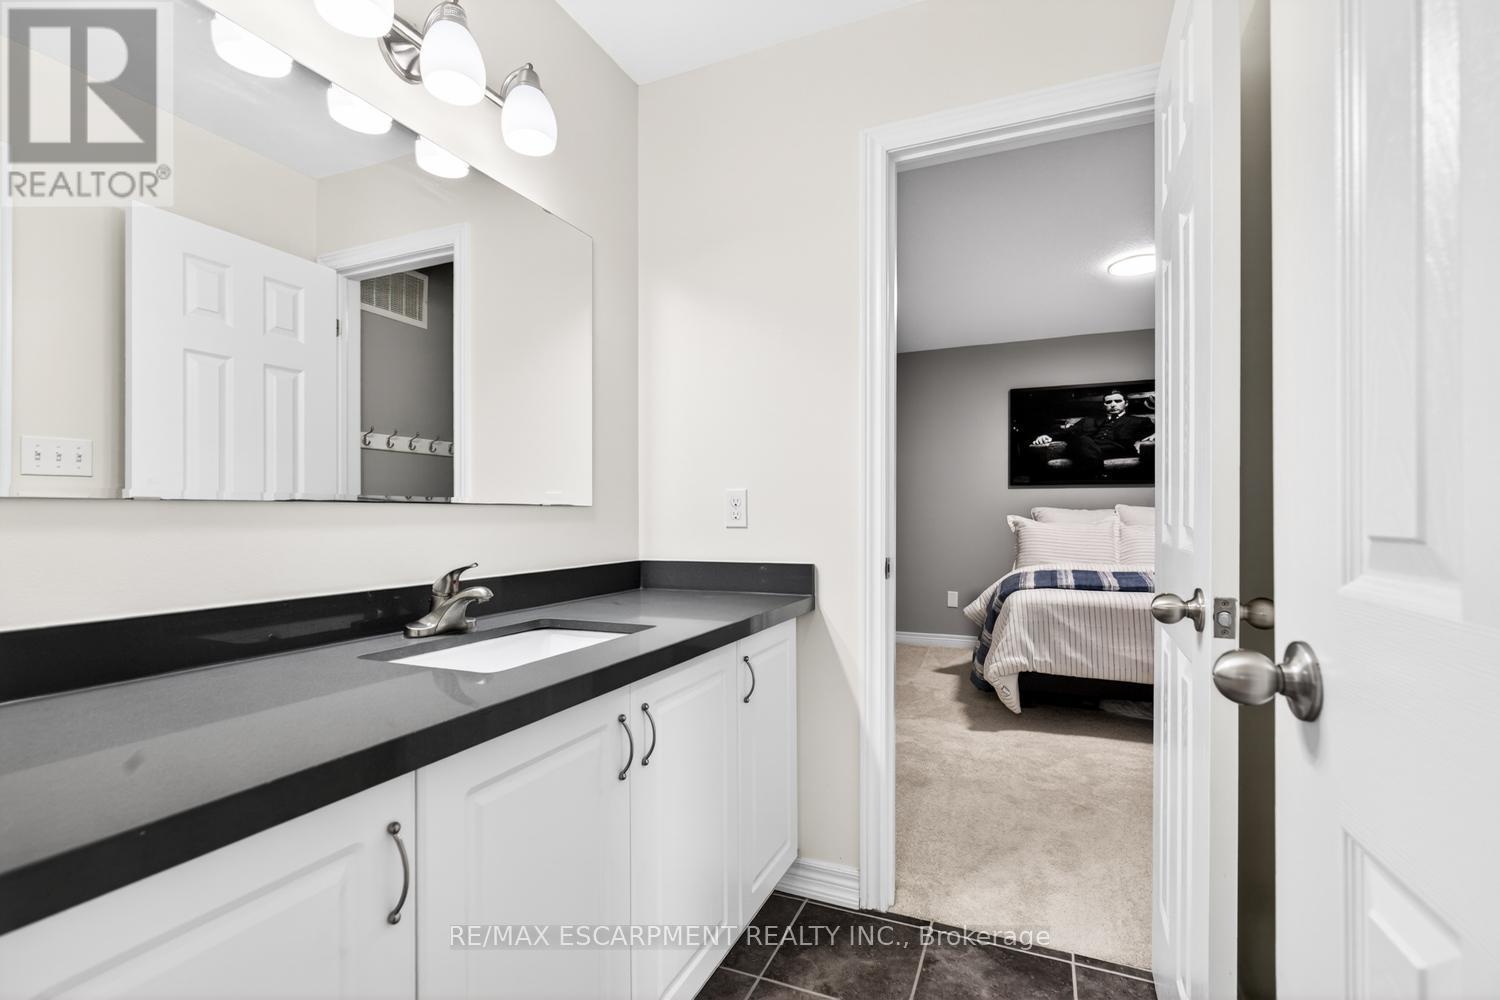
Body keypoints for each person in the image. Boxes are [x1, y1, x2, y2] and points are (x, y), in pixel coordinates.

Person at [1030, 389, 1154, 477]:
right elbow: (1067, 432)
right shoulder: (1088, 420)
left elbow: (1164, 432)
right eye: (1108, 402)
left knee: (1082, 441)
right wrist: (1047, 436)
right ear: (1104, 405)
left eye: (1117, 401)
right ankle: (1099, 475)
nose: (1113, 404)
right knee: (1081, 440)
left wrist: (1157, 434)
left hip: (1115, 449)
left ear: (1126, 403)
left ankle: (1092, 476)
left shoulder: (1139, 421)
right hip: (1083, 447)